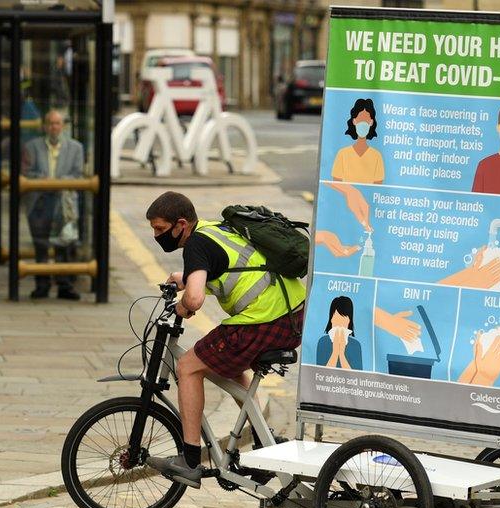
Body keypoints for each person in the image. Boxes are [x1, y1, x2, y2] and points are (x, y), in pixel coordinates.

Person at [144, 191, 306, 488]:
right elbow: (234, 266)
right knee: (227, 364)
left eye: (159, 229)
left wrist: (183, 304)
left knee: (189, 366)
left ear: (181, 224)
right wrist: (188, 276)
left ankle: (190, 460)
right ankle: (263, 440)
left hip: (265, 319)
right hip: (293, 313)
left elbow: (193, 300)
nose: (157, 236)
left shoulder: (196, 244)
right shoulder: (214, 229)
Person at [22, 110, 84, 300]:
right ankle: (42, 285)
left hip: (63, 202)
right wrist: (44, 180)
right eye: (50, 123)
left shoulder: (76, 148)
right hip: (39, 202)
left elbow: (77, 173)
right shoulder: (31, 146)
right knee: (40, 244)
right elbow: (27, 172)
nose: (53, 127)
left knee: (64, 244)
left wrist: (59, 181)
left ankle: (64, 285)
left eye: (57, 123)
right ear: (44, 126)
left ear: (63, 126)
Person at [331, 98, 384, 184]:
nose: (363, 122)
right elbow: (337, 183)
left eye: (366, 119)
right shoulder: (342, 154)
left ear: (371, 122)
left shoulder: (377, 156)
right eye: (360, 119)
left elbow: (377, 187)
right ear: (354, 121)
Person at [316, 296, 363, 370]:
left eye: (343, 320)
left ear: (349, 322)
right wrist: (335, 353)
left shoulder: (355, 345)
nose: (340, 324)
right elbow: (320, 374)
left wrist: (341, 354)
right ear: (331, 320)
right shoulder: (323, 342)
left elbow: (356, 377)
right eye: (337, 319)